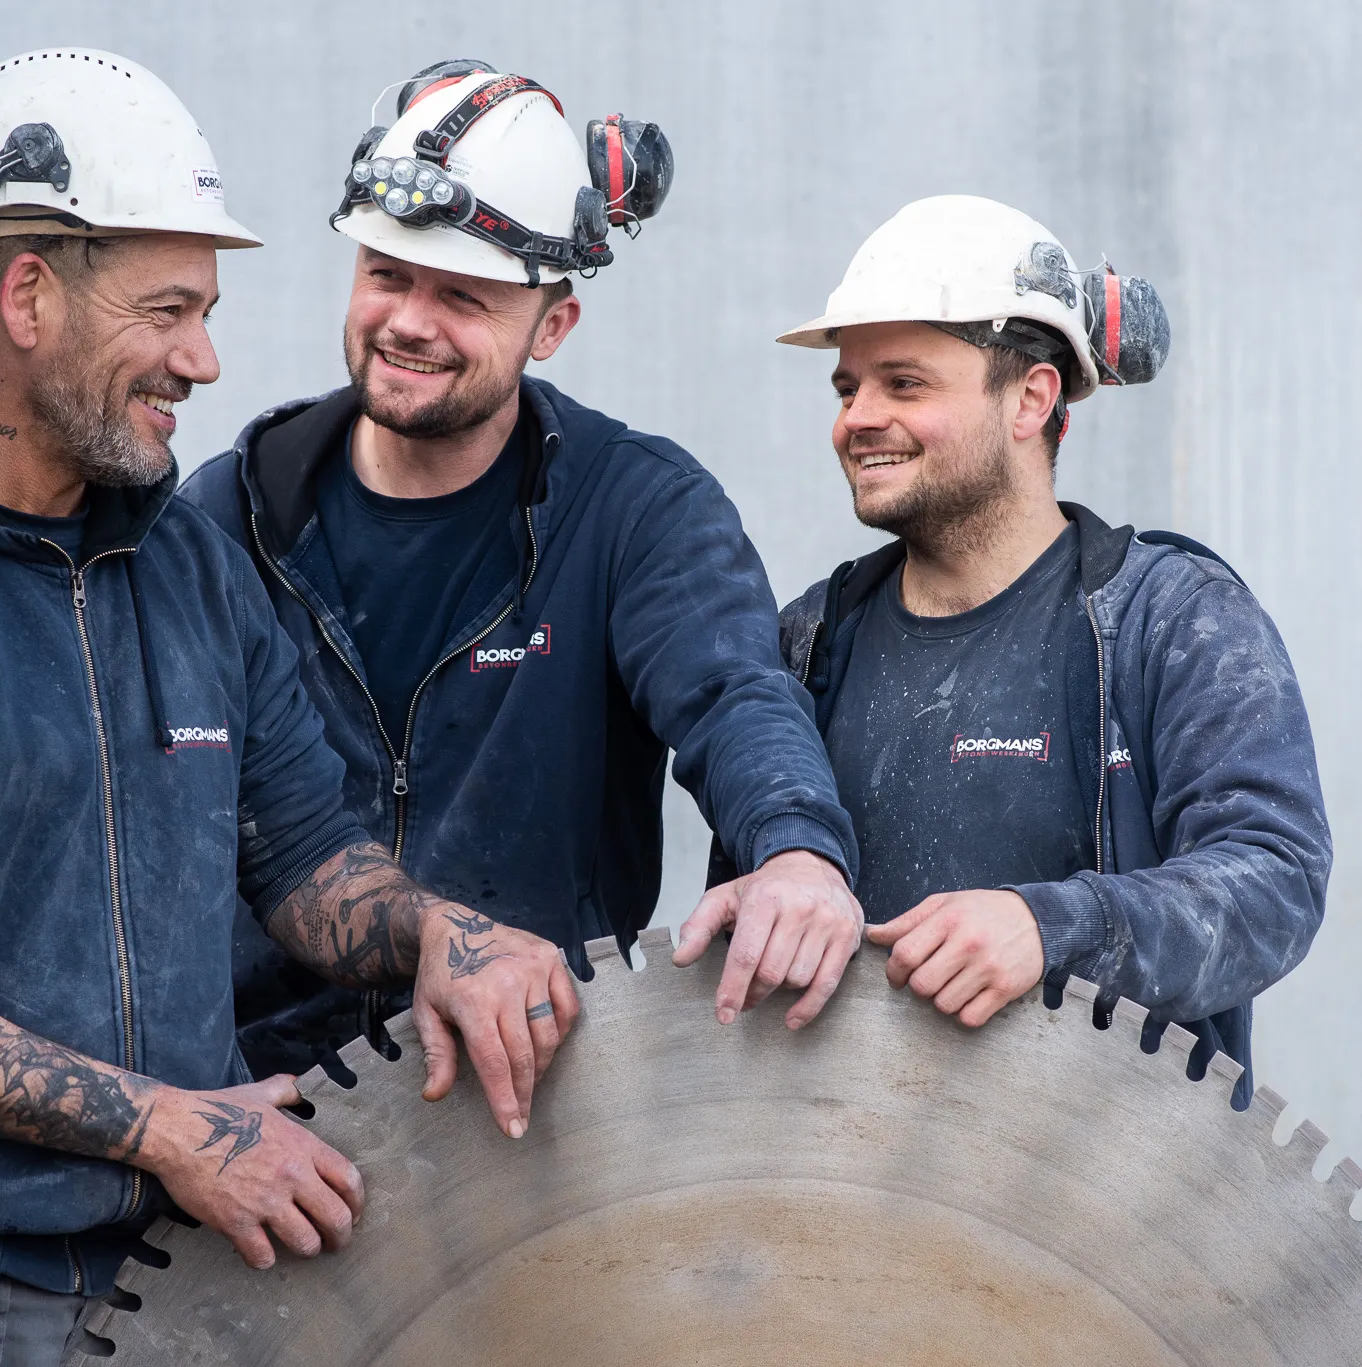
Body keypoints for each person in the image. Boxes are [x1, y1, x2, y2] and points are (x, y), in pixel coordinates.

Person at [0, 51, 572, 1366]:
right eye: (169, 311)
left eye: (205, 312)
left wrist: (444, 932)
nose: (204, 360)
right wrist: (168, 1126)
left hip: (161, 1289)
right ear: (30, 295)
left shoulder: (191, 565)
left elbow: (307, 860)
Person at [182, 61, 864, 1076]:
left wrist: (799, 854)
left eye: (462, 294)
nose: (410, 319)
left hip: (538, 1097)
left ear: (552, 325)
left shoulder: (634, 509)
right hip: (271, 1103)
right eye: (386, 274)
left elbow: (733, 695)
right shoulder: (227, 514)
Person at [773, 196, 1331, 1105]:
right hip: (863, 1206)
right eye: (848, 387)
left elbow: (1276, 882)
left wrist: (1051, 929)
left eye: (904, 384)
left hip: (1103, 1219)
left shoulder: (1170, 619)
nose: (857, 418)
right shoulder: (810, 640)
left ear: (1031, 397)